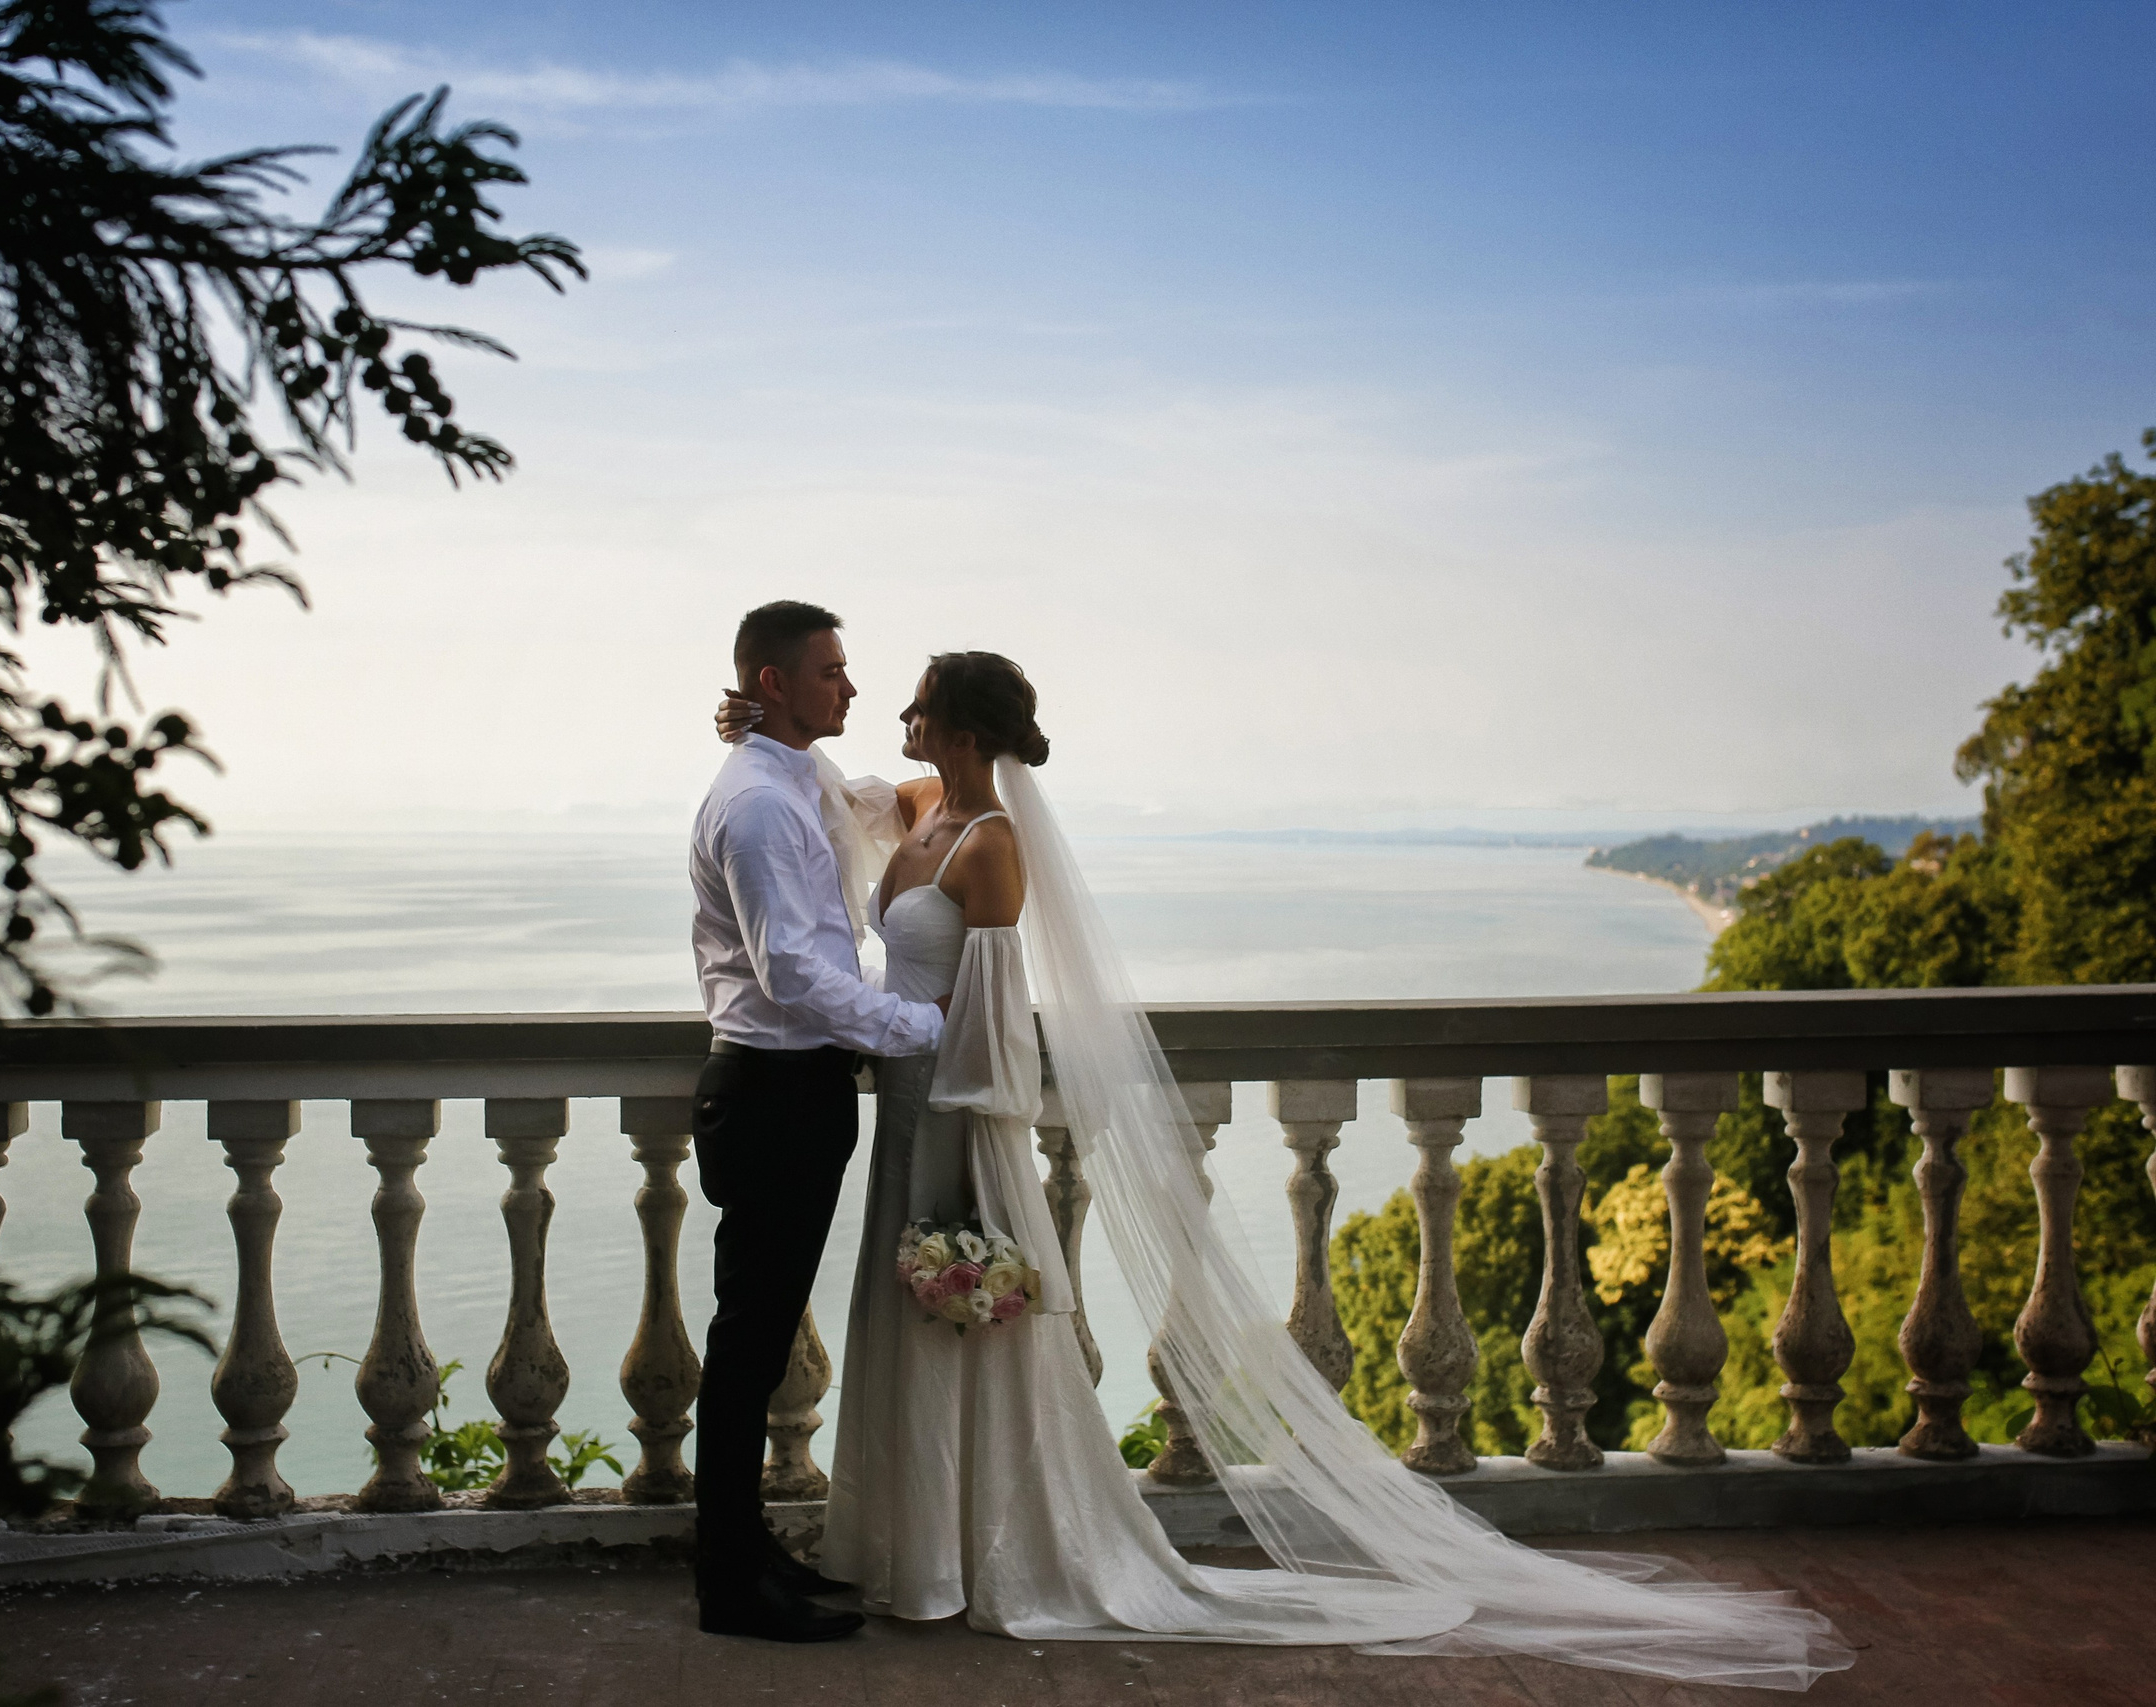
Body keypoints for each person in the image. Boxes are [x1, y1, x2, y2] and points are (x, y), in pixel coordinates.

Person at [709, 651, 1855, 1690]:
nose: (891, 712)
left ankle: (979, 1559)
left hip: (957, 1119)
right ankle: (913, 1551)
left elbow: (997, 1028)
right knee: (896, 1320)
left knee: (966, 1327)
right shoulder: (912, 806)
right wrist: (753, 722)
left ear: (955, 725)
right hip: (904, 1113)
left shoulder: (992, 845)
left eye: (911, 699)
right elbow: (829, 793)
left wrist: (925, 1081)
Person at [684, 600, 949, 1644]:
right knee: (748, 1344)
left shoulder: (806, 783)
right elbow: (788, 970)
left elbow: (905, 796)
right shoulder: (756, 804)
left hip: (798, 1092)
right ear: (773, 681)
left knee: (757, 1340)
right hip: (771, 1091)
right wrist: (915, 1026)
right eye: (831, 672)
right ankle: (729, 1587)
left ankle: (745, 1554)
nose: (851, 688)